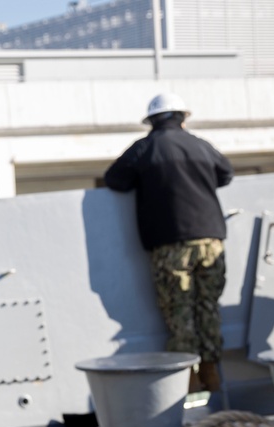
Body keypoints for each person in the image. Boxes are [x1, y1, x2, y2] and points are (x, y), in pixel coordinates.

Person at [104, 92, 234, 393]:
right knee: (208, 306)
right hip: (211, 238)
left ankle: (189, 377)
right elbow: (226, 173)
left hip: (170, 242)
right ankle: (213, 370)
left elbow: (115, 179)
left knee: (179, 311)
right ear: (183, 118)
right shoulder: (201, 146)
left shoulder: (144, 148)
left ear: (151, 121)